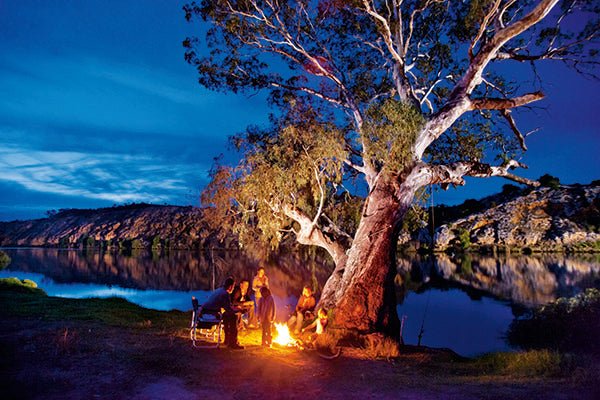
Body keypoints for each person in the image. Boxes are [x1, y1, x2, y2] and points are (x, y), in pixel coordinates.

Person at [202, 277, 244, 349]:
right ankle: (233, 342)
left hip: (207, 312)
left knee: (227, 315)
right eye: (233, 287)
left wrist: (234, 309)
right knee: (233, 317)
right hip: (211, 314)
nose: (233, 289)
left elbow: (227, 307)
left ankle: (227, 340)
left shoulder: (220, 290)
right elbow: (228, 309)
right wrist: (239, 310)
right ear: (230, 286)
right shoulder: (225, 294)